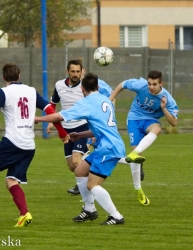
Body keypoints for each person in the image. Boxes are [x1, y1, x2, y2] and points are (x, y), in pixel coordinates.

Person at [35, 72, 125, 225]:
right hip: (107, 145)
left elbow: (58, 117)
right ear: (97, 86)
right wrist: (80, 134)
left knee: (92, 185)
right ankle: (89, 210)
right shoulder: (106, 100)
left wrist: (37, 118)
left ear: (82, 89)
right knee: (80, 171)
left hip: (108, 149)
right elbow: (102, 128)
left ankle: (116, 216)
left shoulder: (86, 103)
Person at [0, 63, 69, 227]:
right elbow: (51, 111)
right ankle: (24, 214)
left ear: (3, 78)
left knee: (11, 180)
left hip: (12, 142)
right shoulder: (31, 91)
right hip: (29, 146)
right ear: (19, 77)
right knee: (11, 181)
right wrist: (61, 131)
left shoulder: (4, 92)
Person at [109, 70, 179, 206]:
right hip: (134, 119)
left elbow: (174, 123)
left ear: (161, 84)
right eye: (149, 84)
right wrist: (110, 100)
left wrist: (163, 108)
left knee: (157, 128)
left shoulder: (167, 98)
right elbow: (122, 84)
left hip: (150, 121)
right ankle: (138, 189)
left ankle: (134, 155)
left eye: (154, 84)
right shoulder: (140, 85)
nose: (151, 87)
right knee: (135, 160)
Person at [47, 59, 89, 195]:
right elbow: (53, 104)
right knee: (71, 166)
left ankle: (88, 187)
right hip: (66, 129)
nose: (75, 74)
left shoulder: (85, 86)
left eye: (78, 71)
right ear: (67, 72)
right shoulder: (59, 85)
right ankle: (88, 154)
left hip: (82, 126)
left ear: (82, 71)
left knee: (77, 161)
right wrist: (51, 121)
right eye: (73, 71)